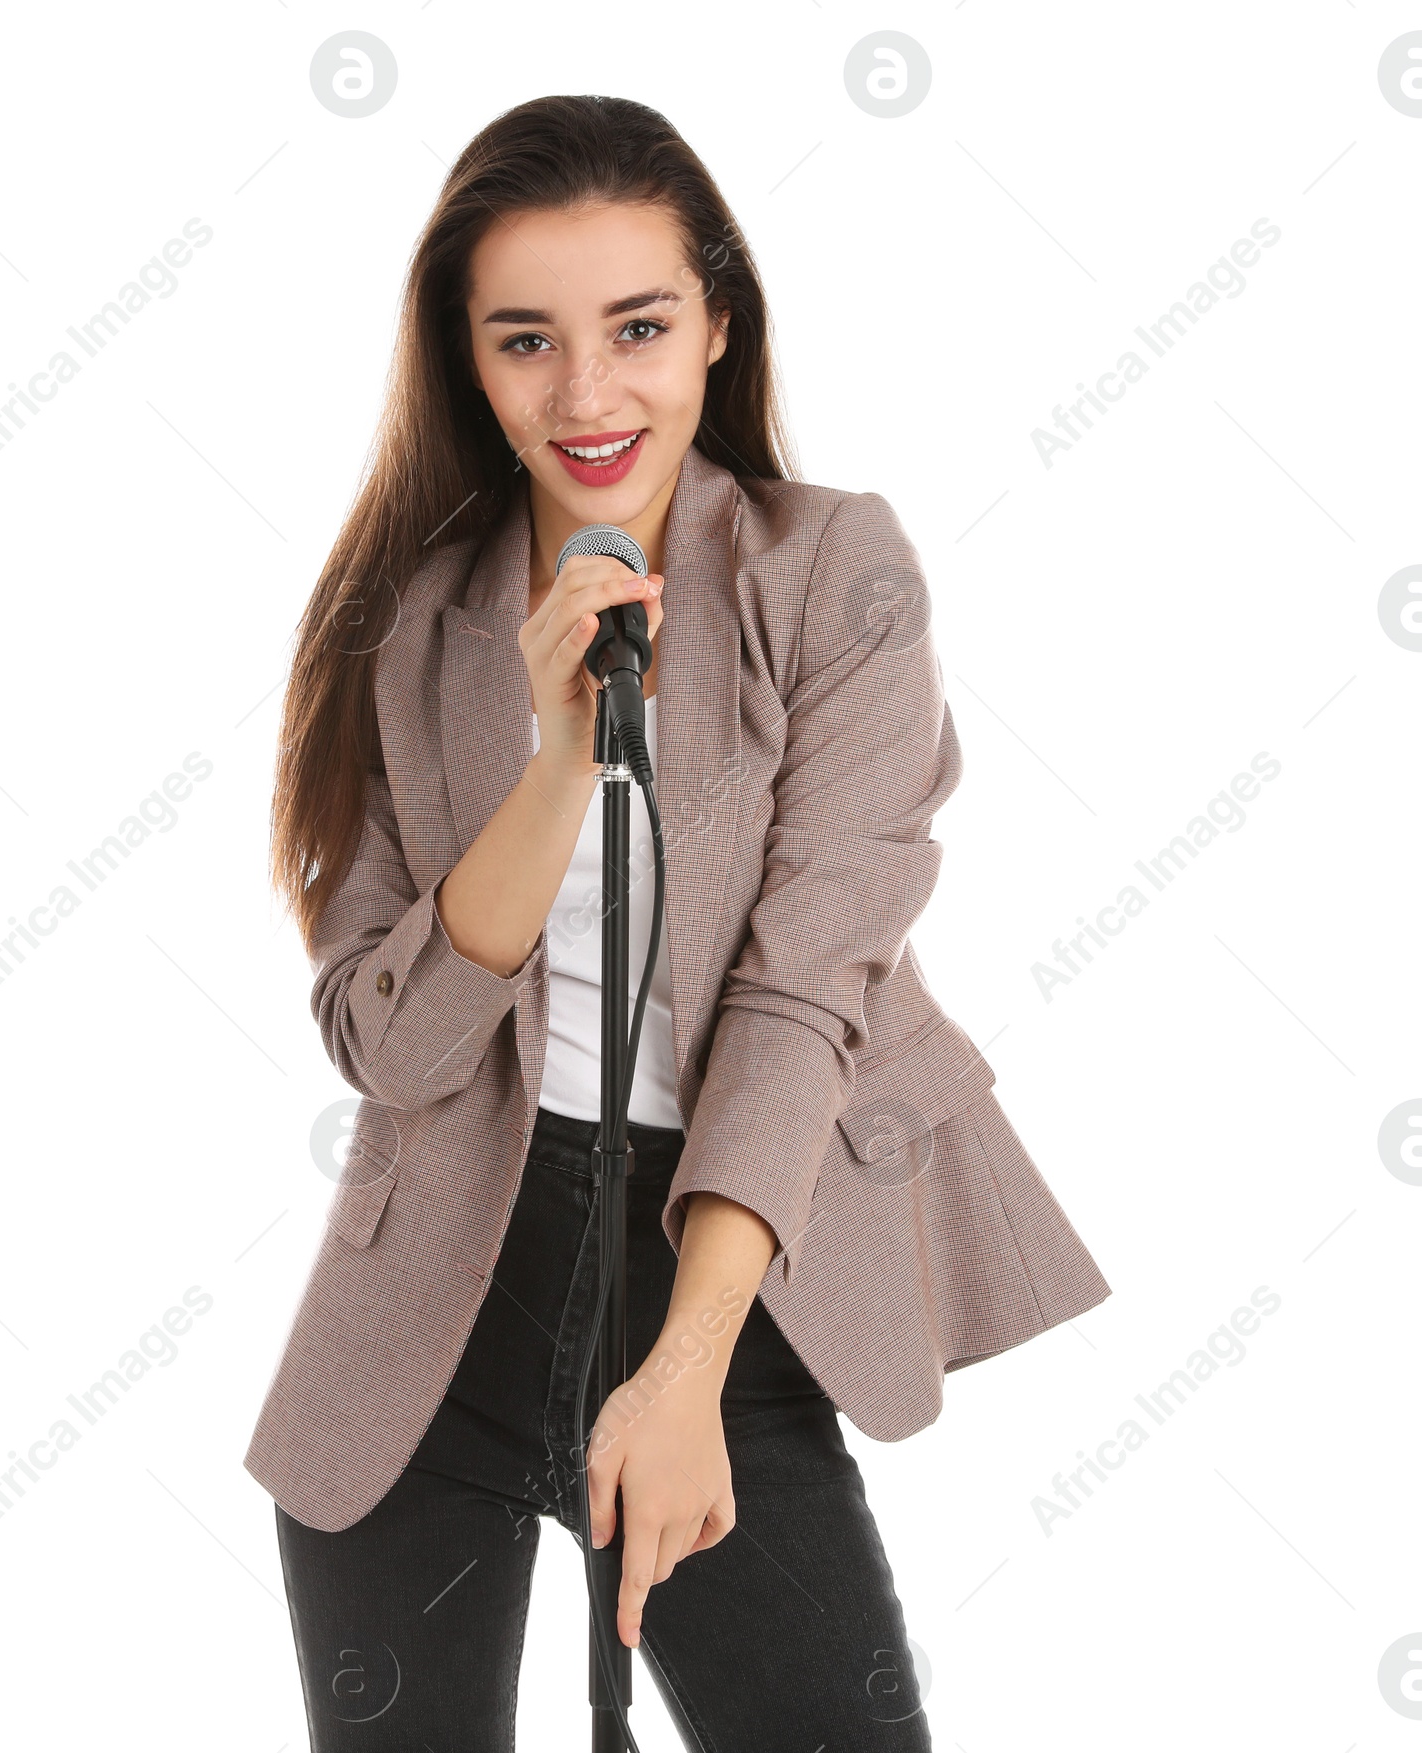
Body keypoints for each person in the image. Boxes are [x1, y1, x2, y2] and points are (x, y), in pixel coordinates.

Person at [247, 93, 1112, 1750]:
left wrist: (686, 1366)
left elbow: (805, 998)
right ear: (469, 361)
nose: (586, 394)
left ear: (718, 321)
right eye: (526, 341)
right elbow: (390, 1039)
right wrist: (560, 756)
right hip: (438, 1293)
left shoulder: (833, 573)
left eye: (637, 326)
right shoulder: (404, 624)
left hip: (731, 1261)